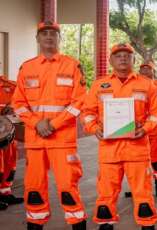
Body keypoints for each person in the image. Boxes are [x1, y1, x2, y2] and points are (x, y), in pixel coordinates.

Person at [12, 21, 87, 230]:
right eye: (43, 33)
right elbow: (18, 104)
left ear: (59, 38)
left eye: (53, 33)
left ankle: (77, 222)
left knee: (67, 188)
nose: (48, 37)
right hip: (36, 140)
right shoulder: (27, 67)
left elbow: (79, 101)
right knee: (34, 189)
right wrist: (37, 123)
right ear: (37, 38)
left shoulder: (72, 65)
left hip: (62, 140)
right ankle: (35, 223)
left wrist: (53, 124)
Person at [81, 43, 157, 230]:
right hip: (109, 151)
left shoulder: (146, 84)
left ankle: (147, 226)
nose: (123, 58)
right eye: (118, 55)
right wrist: (94, 128)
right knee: (105, 199)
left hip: (137, 150)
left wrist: (146, 128)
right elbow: (87, 112)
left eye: (127, 55)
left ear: (134, 60)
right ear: (110, 60)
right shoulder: (99, 85)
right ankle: (106, 225)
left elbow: (156, 113)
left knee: (143, 198)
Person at [139, 61, 157, 198]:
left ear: (153, 71)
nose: (144, 71)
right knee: (137, 161)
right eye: (142, 68)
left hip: (154, 129)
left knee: (156, 159)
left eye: (147, 68)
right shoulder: (134, 84)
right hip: (137, 129)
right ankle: (140, 188)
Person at [0, 75, 24, 210]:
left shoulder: (10, 85)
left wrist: (13, 107)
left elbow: (22, 99)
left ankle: (5, 193)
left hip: (8, 132)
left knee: (10, 163)